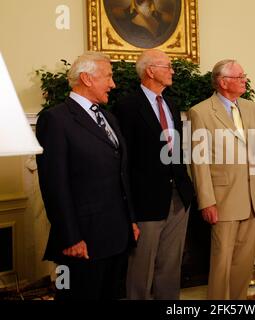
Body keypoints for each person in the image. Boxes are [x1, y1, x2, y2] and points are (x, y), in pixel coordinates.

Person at [36, 52, 139, 300]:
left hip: (116, 237)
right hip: (82, 242)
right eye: (108, 77)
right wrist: (71, 237)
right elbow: (54, 185)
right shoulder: (55, 119)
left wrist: (130, 220)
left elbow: (121, 175)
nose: (113, 84)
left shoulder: (109, 117)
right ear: (87, 78)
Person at [112, 49, 194, 300]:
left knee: (170, 266)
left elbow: (175, 149)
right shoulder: (126, 107)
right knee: (141, 267)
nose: (172, 70)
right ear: (150, 71)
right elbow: (123, 159)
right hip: (145, 199)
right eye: (167, 66)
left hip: (178, 196)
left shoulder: (171, 103)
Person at [189, 59, 255, 300]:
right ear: (223, 82)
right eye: (239, 77)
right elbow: (199, 162)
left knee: (244, 263)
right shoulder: (200, 112)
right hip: (222, 199)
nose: (244, 80)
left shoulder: (250, 107)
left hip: (253, 196)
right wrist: (207, 202)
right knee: (222, 262)